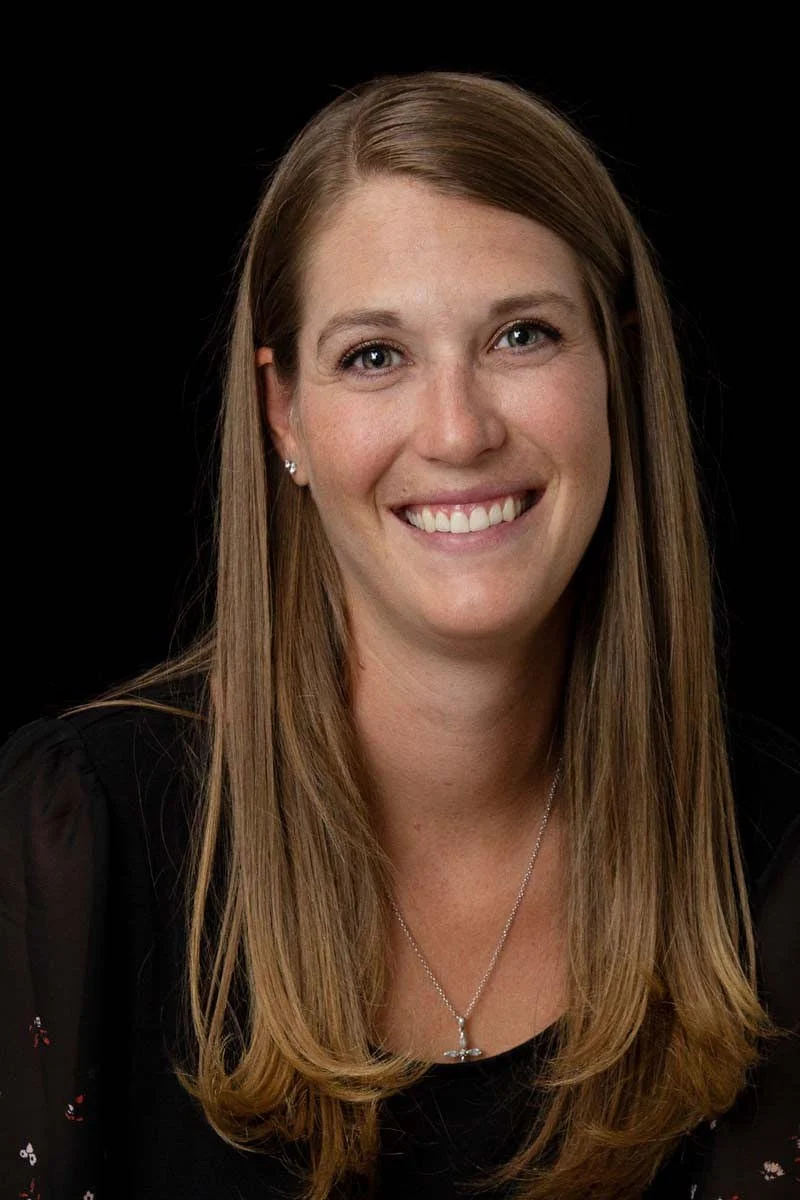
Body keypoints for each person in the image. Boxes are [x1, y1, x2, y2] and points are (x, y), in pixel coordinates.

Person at [1, 71, 797, 1200]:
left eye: (520, 334)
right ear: (286, 415)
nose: (458, 430)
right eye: (374, 355)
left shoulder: (776, 861)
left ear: (614, 366)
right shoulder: (73, 844)